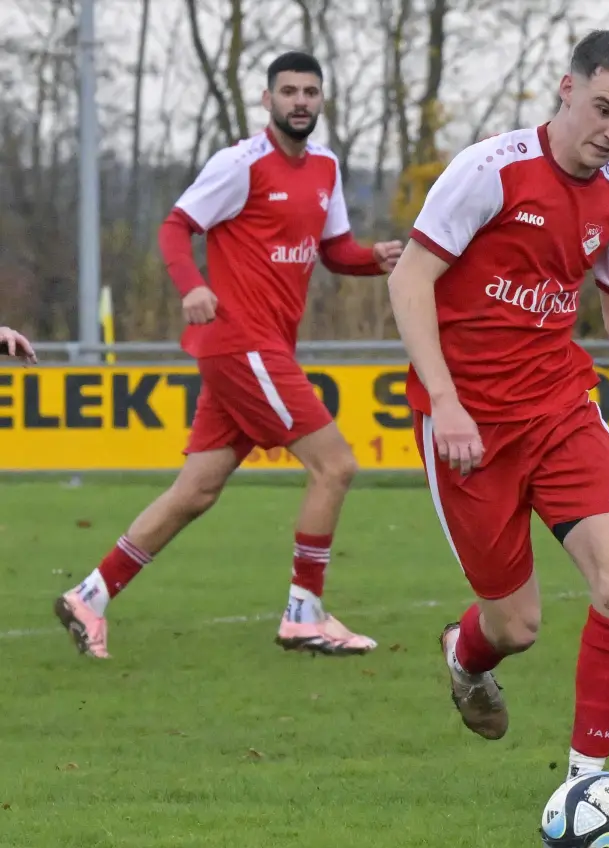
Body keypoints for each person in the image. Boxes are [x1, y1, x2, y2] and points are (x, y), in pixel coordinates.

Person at [386, 30, 609, 783]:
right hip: (470, 428)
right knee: (516, 626)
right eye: (602, 109)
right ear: (566, 89)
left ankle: (586, 787)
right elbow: (410, 280)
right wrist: (447, 402)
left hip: (560, 408)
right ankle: (466, 658)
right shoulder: (490, 172)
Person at [52, 51, 402, 660]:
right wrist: (192, 284)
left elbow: (334, 250)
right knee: (336, 466)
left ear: (321, 101)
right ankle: (303, 613)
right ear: (266, 100)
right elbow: (173, 226)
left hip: (256, 351)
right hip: (243, 344)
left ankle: (90, 594)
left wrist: (377, 258)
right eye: (288, 91)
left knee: (196, 491)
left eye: (310, 92)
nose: (300, 101)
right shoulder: (241, 164)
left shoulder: (325, 168)